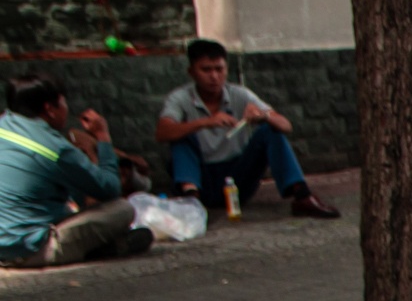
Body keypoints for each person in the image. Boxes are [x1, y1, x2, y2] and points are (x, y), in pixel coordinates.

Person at [156, 39, 340, 218]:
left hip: (236, 178)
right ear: (191, 72)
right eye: (206, 70)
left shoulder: (240, 94)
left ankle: (302, 196)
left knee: (269, 130)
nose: (214, 76)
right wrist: (205, 122)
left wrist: (264, 116)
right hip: (201, 177)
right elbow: (161, 132)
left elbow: (286, 126)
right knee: (180, 136)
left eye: (219, 69)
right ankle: (191, 201)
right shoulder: (180, 98)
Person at [0, 73, 154, 268]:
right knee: (122, 209)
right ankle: (98, 249)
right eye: (63, 102)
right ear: (50, 109)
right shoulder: (57, 149)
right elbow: (110, 188)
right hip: (30, 250)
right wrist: (103, 137)